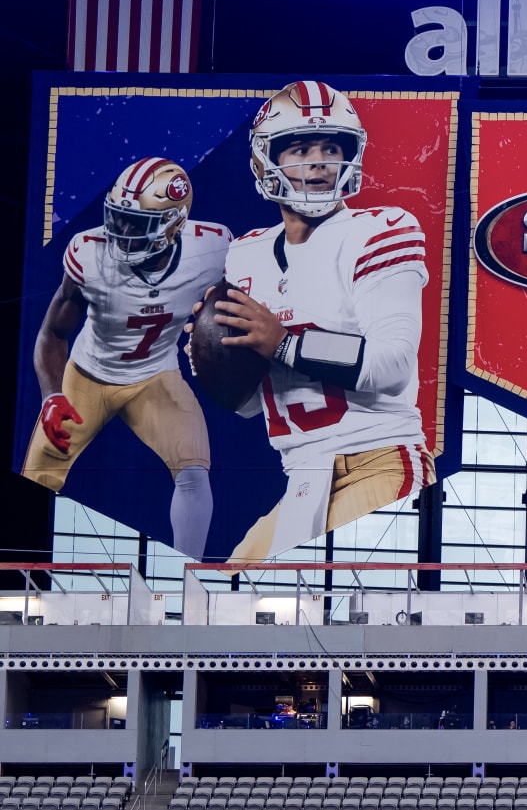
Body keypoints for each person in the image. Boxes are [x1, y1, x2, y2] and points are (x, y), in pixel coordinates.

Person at [191, 80, 434, 561]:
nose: (320, 161)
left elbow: (392, 364)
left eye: (330, 147)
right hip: (302, 474)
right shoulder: (246, 254)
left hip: (379, 460)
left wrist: (282, 343)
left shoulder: (381, 229)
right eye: (300, 148)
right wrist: (214, 356)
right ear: (267, 160)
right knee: (224, 600)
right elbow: (250, 407)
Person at [25, 158, 227, 557]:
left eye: (136, 223)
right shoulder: (88, 252)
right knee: (38, 475)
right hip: (86, 377)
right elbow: (52, 332)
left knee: (193, 475)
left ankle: (189, 587)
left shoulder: (214, 248)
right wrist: (51, 395)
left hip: (156, 377)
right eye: (118, 218)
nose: (121, 232)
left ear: (173, 223)